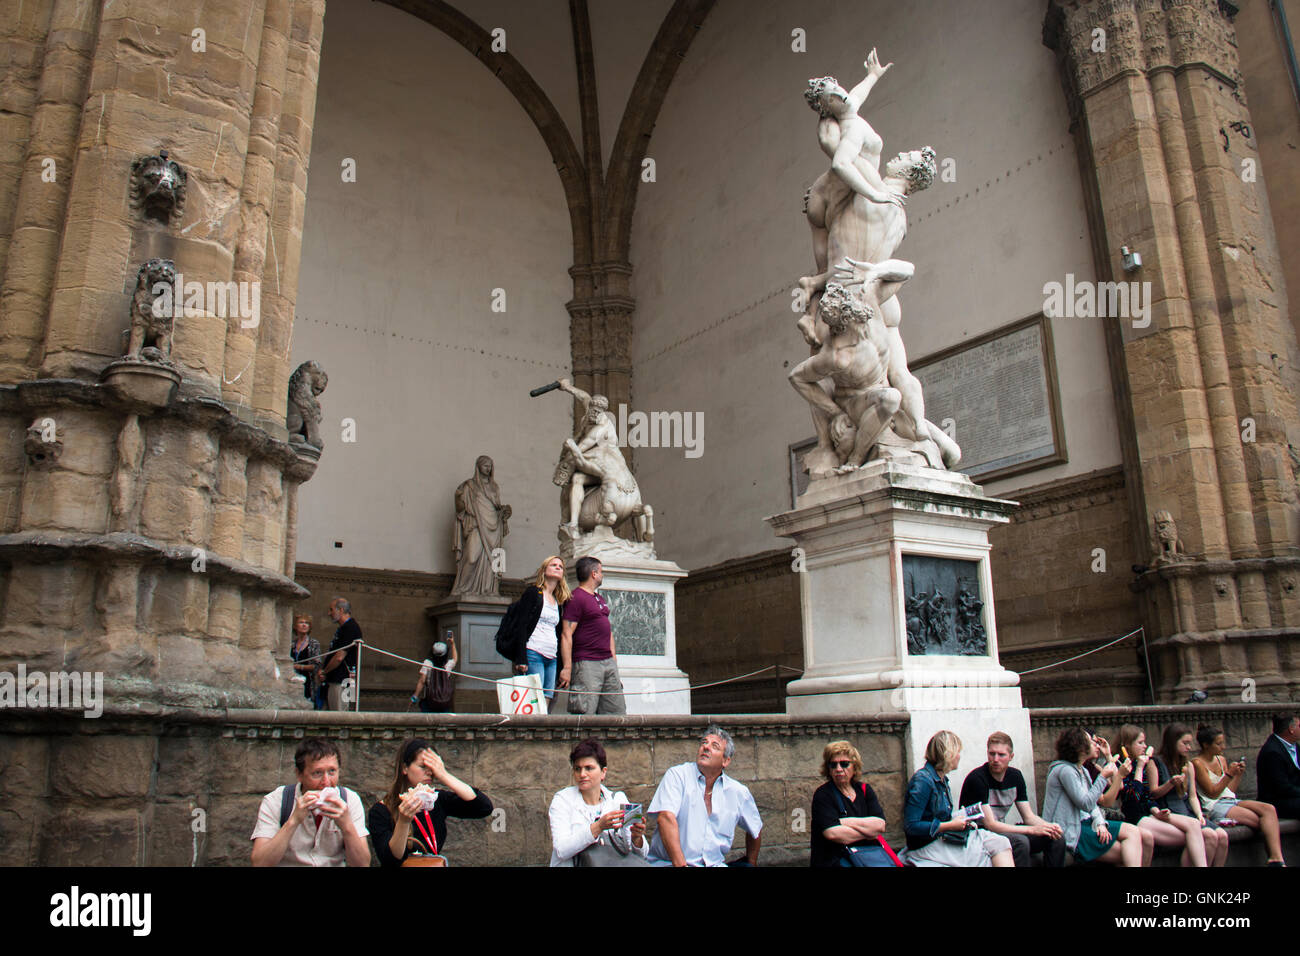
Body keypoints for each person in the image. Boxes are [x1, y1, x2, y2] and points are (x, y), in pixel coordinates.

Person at [648, 724, 763, 866]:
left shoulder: (738, 792)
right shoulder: (678, 775)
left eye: (715, 746)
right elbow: (665, 818)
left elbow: (755, 828)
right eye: (704, 743)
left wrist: (751, 862)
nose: (706, 747)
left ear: (725, 761)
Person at [368, 738, 492, 867]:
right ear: (405, 768)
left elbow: (483, 807)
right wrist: (403, 822)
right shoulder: (381, 810)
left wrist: (444, 775)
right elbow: (390, 859)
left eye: (432, 767)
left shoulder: (437, 800)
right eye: (423, 767)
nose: (429, 772)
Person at [250, 738, 369, 867]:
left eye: (332, 771)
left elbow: (362, 864)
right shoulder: (276, 801)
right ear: (299, 774)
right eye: (317, 773)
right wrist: (293, 821)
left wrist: (347, 826)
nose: (326, 782)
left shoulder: (350, 800)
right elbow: (260, 863)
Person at [903, 730, 1013, 866]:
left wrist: (957, 819)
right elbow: (911, 825)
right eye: (957, 752)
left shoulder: (942, 779)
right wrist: (948, 825)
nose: (959, 757)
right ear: (948, 754)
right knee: (982, 856)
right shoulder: (923, 781)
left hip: (943, 838)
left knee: (1001, 842)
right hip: (927, 845)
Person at [1042, 726, 1147, 866]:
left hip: (1086, 823)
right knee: (1126, 851)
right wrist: (1103, 777)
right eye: (1091, 742)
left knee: (1133, 832)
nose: (1096, 745)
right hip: (1071, 830)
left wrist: (1100, 823)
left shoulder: (1082, 770)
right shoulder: (1064, 770)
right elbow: (1085, 803)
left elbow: (1092, 806)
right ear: (1080, 748)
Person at [958, 731, 1065, 867]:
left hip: (1000, 832)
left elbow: (1029, 817)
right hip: (979, 834)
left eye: (1001, 755)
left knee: (1056, 838)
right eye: (992, 754)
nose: (995, 759)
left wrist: (1048, 827)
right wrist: (1032, 830)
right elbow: (991, 825)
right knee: (1020, 842)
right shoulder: (977, 779)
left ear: (1011, 756)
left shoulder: (1015, 777)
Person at [1112, 724, 1209, 866]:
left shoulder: (1143, 763)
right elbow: (1133, 799)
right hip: (1135, 817)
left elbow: (1148, 796)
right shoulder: (1121, 766)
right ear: (1126, 746)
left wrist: (1156, 811)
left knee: (1194, 825)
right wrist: (1139, 768)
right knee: (1193, 837)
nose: (1144, 746)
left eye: (1144, 742)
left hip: (1151, 813)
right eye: (1140, 743)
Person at [1193, 724, 1287, 865]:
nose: (1223, 747)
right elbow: (1212, 793)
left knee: (1269, 809)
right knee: (1260, 821)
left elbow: (1228, 791)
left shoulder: (1221, 760)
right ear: (1206, 745)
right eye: (1219, 744)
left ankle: (1277, 859)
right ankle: (1274, 860)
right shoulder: (1197, 763)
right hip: (1214, 806)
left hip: (1230, 800)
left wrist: (1237, 775)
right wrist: (1229, 774)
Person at [549, 738, 649, 866]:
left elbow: (642, 855)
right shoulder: (562, 800)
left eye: (589, 768)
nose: (582, 774)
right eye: (577, 769)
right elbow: (561, 850)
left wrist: (637, 838)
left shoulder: (619, 799)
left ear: (603, 772)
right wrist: (598, 827)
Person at [494, 555, 570, 704]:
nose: (557, 568)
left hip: (552, 656)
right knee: (535, 697)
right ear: (544, 570)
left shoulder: (558, 600)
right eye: (553, 565)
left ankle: (541, 727)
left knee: (548, 696)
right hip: (534, 651)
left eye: (560, 567)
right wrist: (521, 657)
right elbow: (522, 625)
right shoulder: (534, 592)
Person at [1151, 723, 1229, 866]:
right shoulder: (1156, 762)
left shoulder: (1188, 765)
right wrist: (1170, 784)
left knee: (1223, 836)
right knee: (1209, 836)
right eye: (1185, 743)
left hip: (1187, 810)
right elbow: (1153, 793)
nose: (1189, 747)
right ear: (1173, 742)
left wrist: (1199, 814)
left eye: (1189, 743)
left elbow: (1192, 796)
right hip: (1168, 810)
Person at [558, 556, 626, 714]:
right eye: (601, 571)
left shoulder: (599, 598)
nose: (602, 575)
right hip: (587, 662)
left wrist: (614, 662)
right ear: (594, 574)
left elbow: (607, 631)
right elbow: (566, 634)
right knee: (584, 711)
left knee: (616, 711)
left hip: (607, 661)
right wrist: (567, 667)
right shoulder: (576, 598)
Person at [810, 740, 888, 867]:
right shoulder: (823, 795)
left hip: (867, 860)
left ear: (854, 766)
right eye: (833, 765)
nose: (839, 769)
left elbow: (880, 825)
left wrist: (844, 822)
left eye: (844, 764)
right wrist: (868, 833)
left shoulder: (864, 790)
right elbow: (833, 834)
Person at [450, 455, 512, 597]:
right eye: (485, 465)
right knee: (471, 557)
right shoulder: (469, 486)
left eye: (490, 465)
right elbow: (460, 508)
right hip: (477, 525)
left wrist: (505, 511)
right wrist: (459, 498)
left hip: (494, 528)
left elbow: (496, 507)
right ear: (478, 467)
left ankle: (490, 589)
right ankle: (462, 588)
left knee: (495, 561)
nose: (488, 468)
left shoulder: (494, 487)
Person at [1256, 713, 1300, 819]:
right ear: (1291, 729)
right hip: (1278, 801)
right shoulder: (1272, 752)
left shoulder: (1295, 746)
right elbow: (1282, 787)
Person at [321, 597, 361, 711]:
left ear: (341, 610)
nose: (329, 613)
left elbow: (339, 657)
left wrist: (324, 671)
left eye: (331, 609)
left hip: (342, 681)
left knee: (340, 716)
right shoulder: (343, 628)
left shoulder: (351, 628)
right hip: (337, 679)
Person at [412, 637, 457, 713]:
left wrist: (414, 697)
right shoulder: (448, 665)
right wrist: (452, 643)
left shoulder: (428, 663)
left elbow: (422, 681)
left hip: (430, 700)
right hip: (444, 701)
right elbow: (455, 659)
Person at [289, 613, 323, 710]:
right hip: (293, 682)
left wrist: (299, 667)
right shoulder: (291, 644)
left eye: (307, 623)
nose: (304, 625)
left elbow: (317, 665)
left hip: (308, 683)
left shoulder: (313, 644)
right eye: (301, 622)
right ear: (296, 626)